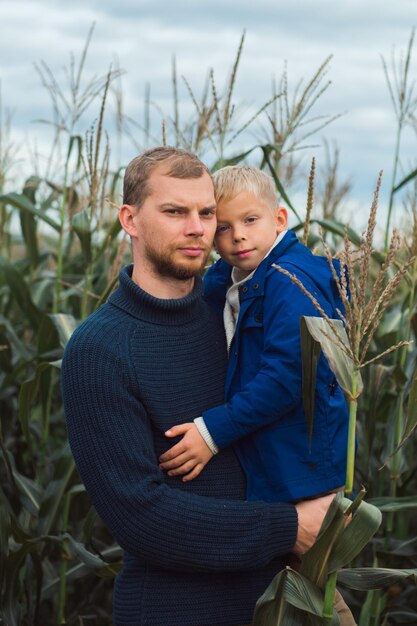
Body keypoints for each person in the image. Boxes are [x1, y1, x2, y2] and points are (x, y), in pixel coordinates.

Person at [62, 147, 335, 626]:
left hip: (281, 602)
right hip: (178, 609)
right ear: (130, 218)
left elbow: (301, 395)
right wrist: (290, 527)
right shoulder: (98, 351)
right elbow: (143, 519)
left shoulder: (235, 313)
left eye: (206, 212)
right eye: (174, 212)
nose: (198, 228)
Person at [159, 165, 349, 505]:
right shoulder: (239, 277)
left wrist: (212, 432)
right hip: (275, 464)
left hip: (303, 472)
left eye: (250, 220)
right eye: (223, 228)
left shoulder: (290, 282)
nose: (238, 236)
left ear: (278, 219)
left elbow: (286, 378)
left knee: (310, 556)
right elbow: (211, 289)